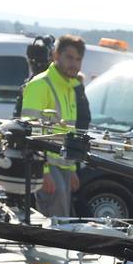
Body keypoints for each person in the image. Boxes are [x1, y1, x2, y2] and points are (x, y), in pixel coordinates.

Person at [20, 34, 84, 218]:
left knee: (62, 222)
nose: (74, 64)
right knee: (52, 226)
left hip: (63, 166)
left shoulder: (70, 88)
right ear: (56, 55)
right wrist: (43, 172)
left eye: (78, 59)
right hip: (46, 167)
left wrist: (71, 169)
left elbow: (68, 133)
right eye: (69, 57)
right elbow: (30, 132)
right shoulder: (40, 85)